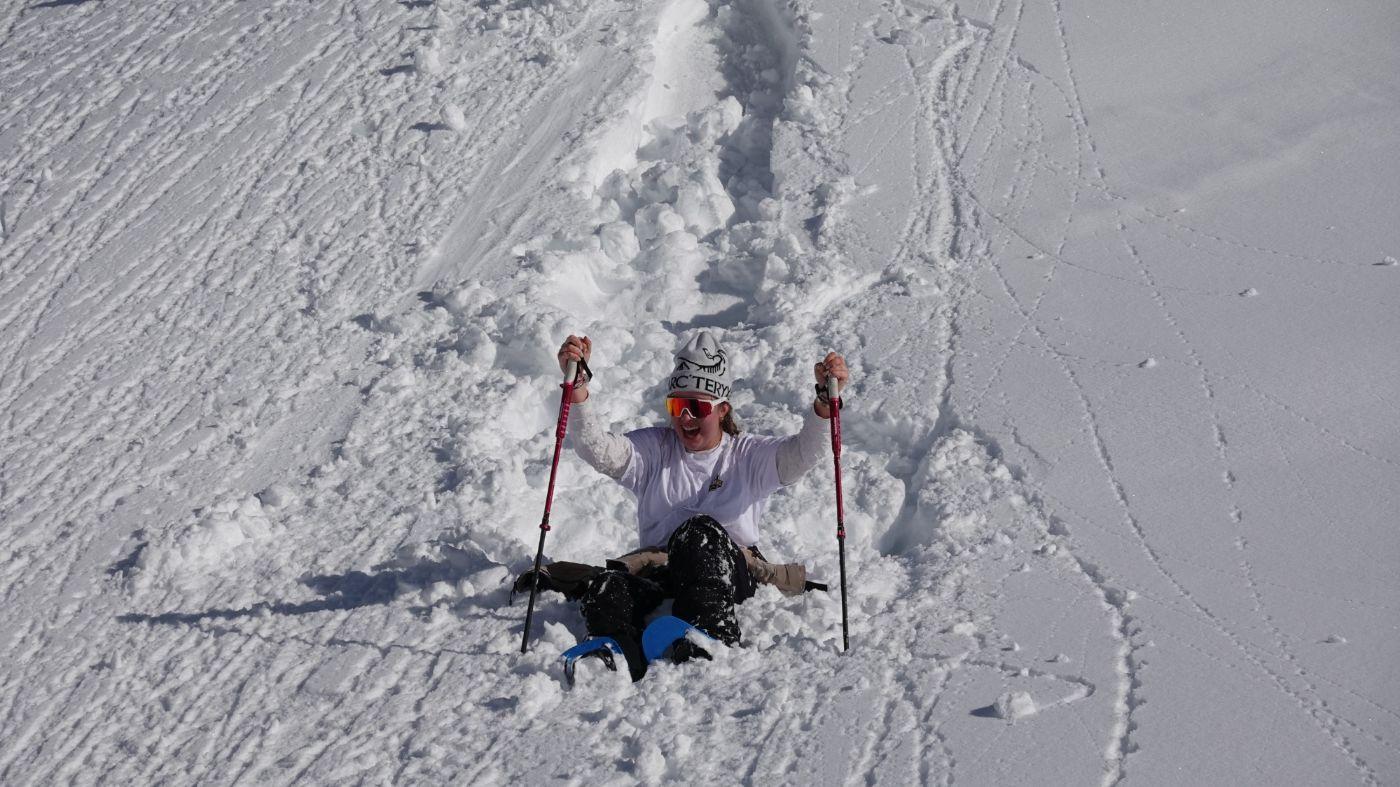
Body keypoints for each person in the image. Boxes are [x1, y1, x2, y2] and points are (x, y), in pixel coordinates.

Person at [533, 330, 849, 680]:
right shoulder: (655, 449)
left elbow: (803, 454)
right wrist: (577, 388)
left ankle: (709, 635)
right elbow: (598, 449)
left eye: (697, 407)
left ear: (723, 408)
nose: (685, 417)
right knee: (609, 584)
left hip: (728, 574)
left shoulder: (747, 456)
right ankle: (615, 652)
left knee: (698, 532)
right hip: (662, 570)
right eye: (676, 406)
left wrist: (825, 405)